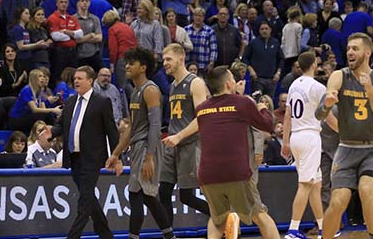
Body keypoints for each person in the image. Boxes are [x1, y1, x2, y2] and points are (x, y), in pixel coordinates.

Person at [168, 65, 280, 239]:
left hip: (208, 175)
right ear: (229, 84)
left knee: (217, 220)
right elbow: (267, 125)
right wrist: (262, 108)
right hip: (235, 172)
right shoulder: (242, 102)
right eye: (233, 80)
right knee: (260, 215)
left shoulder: (202, 109)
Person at [317, 33, 373, 239]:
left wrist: (369, 89)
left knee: (367, 189)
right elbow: (319, 114)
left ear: (367, 52)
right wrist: (327, 104)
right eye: (349, 48)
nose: (350, 52)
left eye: (355, 48)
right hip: (347, 147)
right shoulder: (339, 76)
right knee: (338, 200)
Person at [42, 66, 121, 239]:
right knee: (89, 198)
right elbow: (61, 125)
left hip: (92, 159)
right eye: (75, 78)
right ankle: (106, 235)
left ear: (90, 81)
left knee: (84, 203)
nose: (76, 81)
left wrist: (117, 157)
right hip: (74, 158)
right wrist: (52, 133)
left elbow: (112, 132)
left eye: (80, 78)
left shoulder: (101, 102)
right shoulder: (70, 101)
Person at [106, 47, 177, 239]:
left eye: (132, 63)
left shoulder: (150, 90)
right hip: (139, 146)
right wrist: (115, 153)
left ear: (143, 67)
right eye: (127, 62)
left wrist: (150, 156)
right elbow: (131, 128)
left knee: (139, 195)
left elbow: (155, 125)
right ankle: (169, 236)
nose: (127, 66)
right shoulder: (135, 91)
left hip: (148, 146)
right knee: (144, 196)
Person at [158, 44, 212, 226]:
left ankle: (223, 217)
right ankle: (169, 235)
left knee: (187, 197)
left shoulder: (195, 82)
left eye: (168, 59)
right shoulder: (173, 85)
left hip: (189, 144)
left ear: (181, 59)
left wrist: (179, 136)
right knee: (163, 191)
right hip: (172, 144)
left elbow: (202, 118)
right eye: (164, 59)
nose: (164, 63)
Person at [281, 52, 328, 239]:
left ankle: (324, 227)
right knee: (306, 185)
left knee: (316, 184)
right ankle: (293, 229)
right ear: (315, 65)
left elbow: (287, 116)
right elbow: (327, 115)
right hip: (310, 137)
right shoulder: (318, 87)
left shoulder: (293, 85)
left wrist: (285, 142)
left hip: (296, 137)